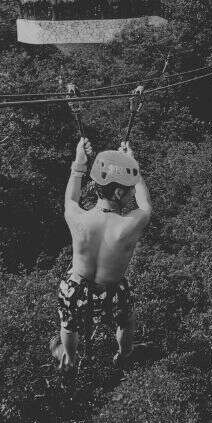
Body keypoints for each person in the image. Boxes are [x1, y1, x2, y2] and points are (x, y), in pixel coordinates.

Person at [52, 137, 152, 372]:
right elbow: (145, 205)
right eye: (127, 190)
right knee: (126, 321)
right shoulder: (128, 224)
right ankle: (124, 354)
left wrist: (79, 163)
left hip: (76, 285)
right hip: (112, 289)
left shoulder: (78, 218)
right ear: (118, 192)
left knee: (68, 325)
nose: (130, 194)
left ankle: (69, 358)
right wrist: (133, 166)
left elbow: (70, 198)